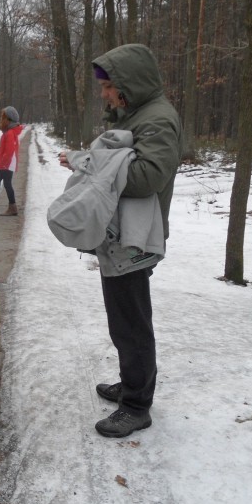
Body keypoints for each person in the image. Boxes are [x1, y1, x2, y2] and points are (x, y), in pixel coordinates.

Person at [58, 44, 181, 438]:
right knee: (123, 318)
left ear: (129, 85)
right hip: (125, 235)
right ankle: (132, 386)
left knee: (131, 323)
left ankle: (136, 405)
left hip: (138, 238)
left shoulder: (157, 119)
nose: (104, 94)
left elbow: (148, 177)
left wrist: (93, 161)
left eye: (110, 87)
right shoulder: (138, 113)